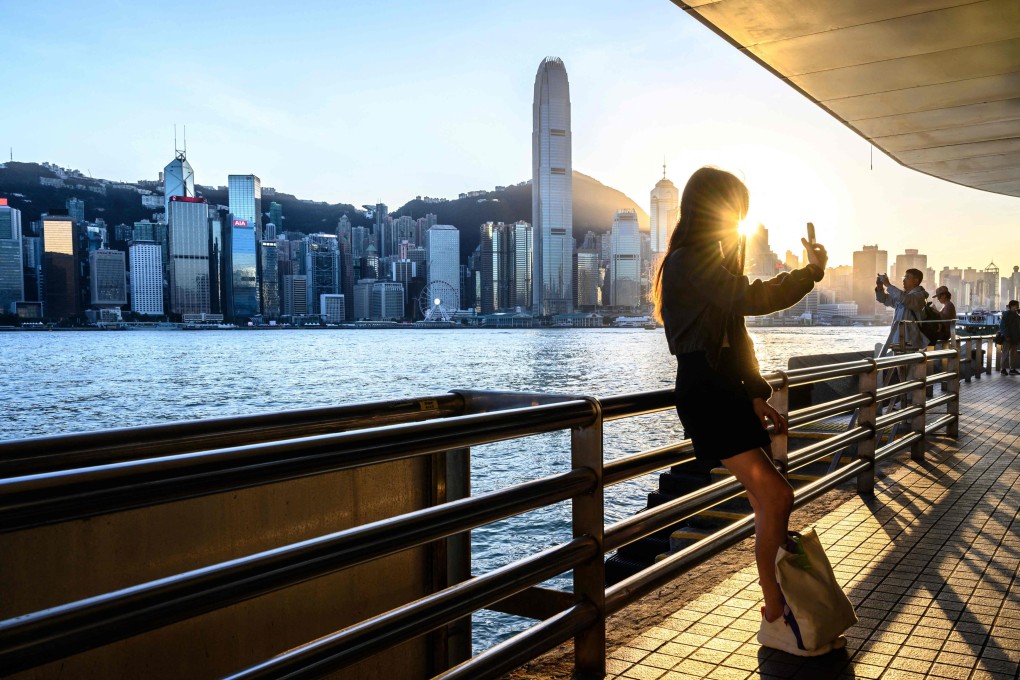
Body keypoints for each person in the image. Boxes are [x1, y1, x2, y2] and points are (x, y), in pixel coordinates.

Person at [652, 167, 838, 656]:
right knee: (776, 497)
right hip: (706, 392)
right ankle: (775, 613)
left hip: (727, 390)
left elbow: (735, 332)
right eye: (734, 209)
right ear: (711, 209)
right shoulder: (689, 259)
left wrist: (757, 392)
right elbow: (751, 299)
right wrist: (810, 273)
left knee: (769, 502)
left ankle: (778, 612)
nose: (738, 218)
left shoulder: (707, 258)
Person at [875, 268, 929, 352]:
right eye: (904, 277)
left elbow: (906, 299)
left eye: (907, 277)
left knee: (908, 363)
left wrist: (888, 284)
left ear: (916, 281)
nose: (904, 280)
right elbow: (883, 299)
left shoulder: (920, 296)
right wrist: (879, 286)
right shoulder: (903, 296)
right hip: (897, 339)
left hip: (910, 340)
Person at [1001, 300, 1020, 375]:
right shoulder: (1006, 314)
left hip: (1015, 338)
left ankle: (1012, 369)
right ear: (1011, 306)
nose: (1018, 307)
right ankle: (1003, 369)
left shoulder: (1016, 315)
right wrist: (1006, 335)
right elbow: (1002, 326)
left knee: (1013, 354)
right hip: (1007, 338)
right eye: (1016, 305)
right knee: (1005, 353)